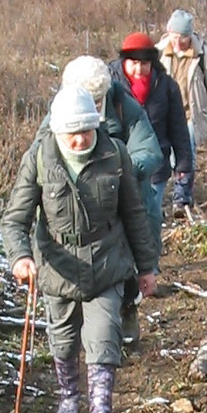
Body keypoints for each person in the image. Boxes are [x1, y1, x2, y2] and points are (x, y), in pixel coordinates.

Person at [3, 85, 158, 413]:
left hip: (107, 262)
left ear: (96, 125)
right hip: (57, 266)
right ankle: (69, 395)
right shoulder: (40, 158)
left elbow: (135, 214)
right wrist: (20, 257)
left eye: (86, 132)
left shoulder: (115, 154)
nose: (79, 141)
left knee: (104, 337)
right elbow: (15, 219)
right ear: (58, 131)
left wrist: (147, 267)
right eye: (72, 134)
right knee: (63, 339)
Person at [59, 55, 164, 347]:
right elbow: (42, 157)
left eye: (96, 100)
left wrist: (119, 170)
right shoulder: (61, 113)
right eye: (85, 100)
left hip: (123, 199)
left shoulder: (124, 106)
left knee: (126, 262)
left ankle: (127, 309)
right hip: (79, 205)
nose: (90, 108)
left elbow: (151, 151)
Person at [111, 32, 194, 224]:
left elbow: (178, 127)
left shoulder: (166, 86)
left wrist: (183, 164)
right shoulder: (110, 85)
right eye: (134, 63)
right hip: (119, 165)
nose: (139, 69)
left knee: (149, 215)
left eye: (145, 64)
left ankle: (150, 250)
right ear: (124, 61)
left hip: (156, 163)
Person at [156, 9, 207, 206]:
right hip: (165, 115)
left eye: (184, 37)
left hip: (191, 115)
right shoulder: (159, 55)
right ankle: (168, 189)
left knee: (186, 152)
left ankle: (182, 193)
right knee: (166, 154)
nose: (179, 42)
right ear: (168, 32)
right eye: (175, 36)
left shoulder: (205, 56)